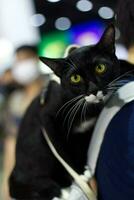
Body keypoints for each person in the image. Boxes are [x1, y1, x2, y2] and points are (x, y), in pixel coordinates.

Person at [1, 45, 45, 200]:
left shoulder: (51, 93)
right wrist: (7, 184)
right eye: (18, 61)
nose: (21, 65)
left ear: (35, 60)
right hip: (27, 180)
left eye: (25, 59)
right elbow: (11, 143)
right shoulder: (15, 101)